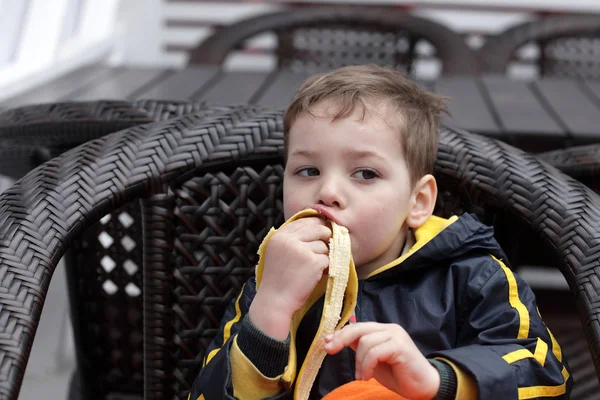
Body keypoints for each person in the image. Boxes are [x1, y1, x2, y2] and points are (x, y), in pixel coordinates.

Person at [188, 64, 571, 400]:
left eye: (365, 173)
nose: (328, 192)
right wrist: (270, 313)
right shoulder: (270, 283)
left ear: (418, 201)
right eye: (308, 171)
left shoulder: (473, 276)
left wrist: (439, 379)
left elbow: (547, 373)